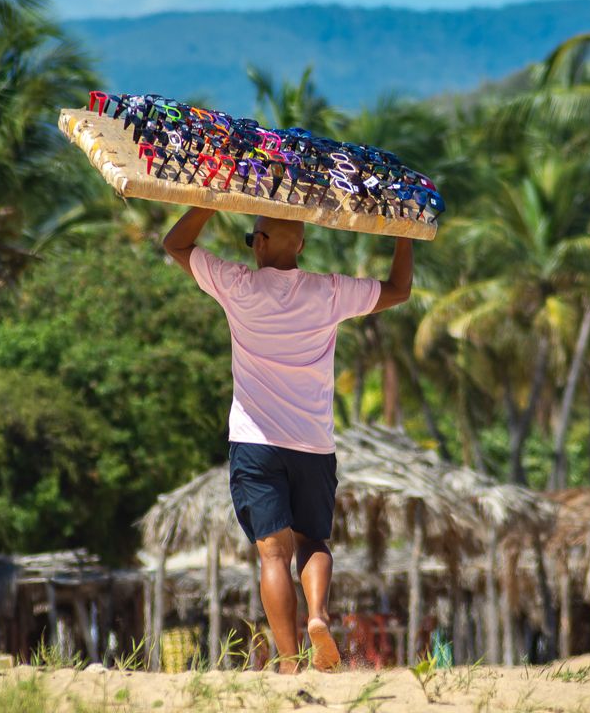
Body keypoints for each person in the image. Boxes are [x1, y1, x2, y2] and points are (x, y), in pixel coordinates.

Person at [163, 207, 413, 673]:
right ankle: (317, 615)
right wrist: (402, 234)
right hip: (313, 444)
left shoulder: (238, 286)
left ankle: (287, 660)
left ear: (259, 243)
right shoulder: (329, 292)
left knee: (273, 553)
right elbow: (399, 290)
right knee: (313, 539)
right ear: (299, 245)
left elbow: (175, 246)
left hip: (256, 443)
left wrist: (208, 199)